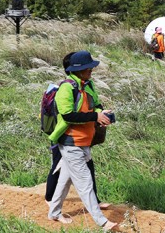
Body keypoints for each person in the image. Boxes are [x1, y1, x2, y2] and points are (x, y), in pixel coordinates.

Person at [46, 50, 118, 230]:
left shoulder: (87, 85)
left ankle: (54, 213)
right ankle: (103, 222)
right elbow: (69, 115)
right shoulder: (66, 88)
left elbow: (95, 105)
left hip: (84, 141)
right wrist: (95, 117)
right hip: (70, 143)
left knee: (65, 180)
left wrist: (103, 113)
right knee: (85, 184)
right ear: (76, 70)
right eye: (88, 68)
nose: (91, 70)